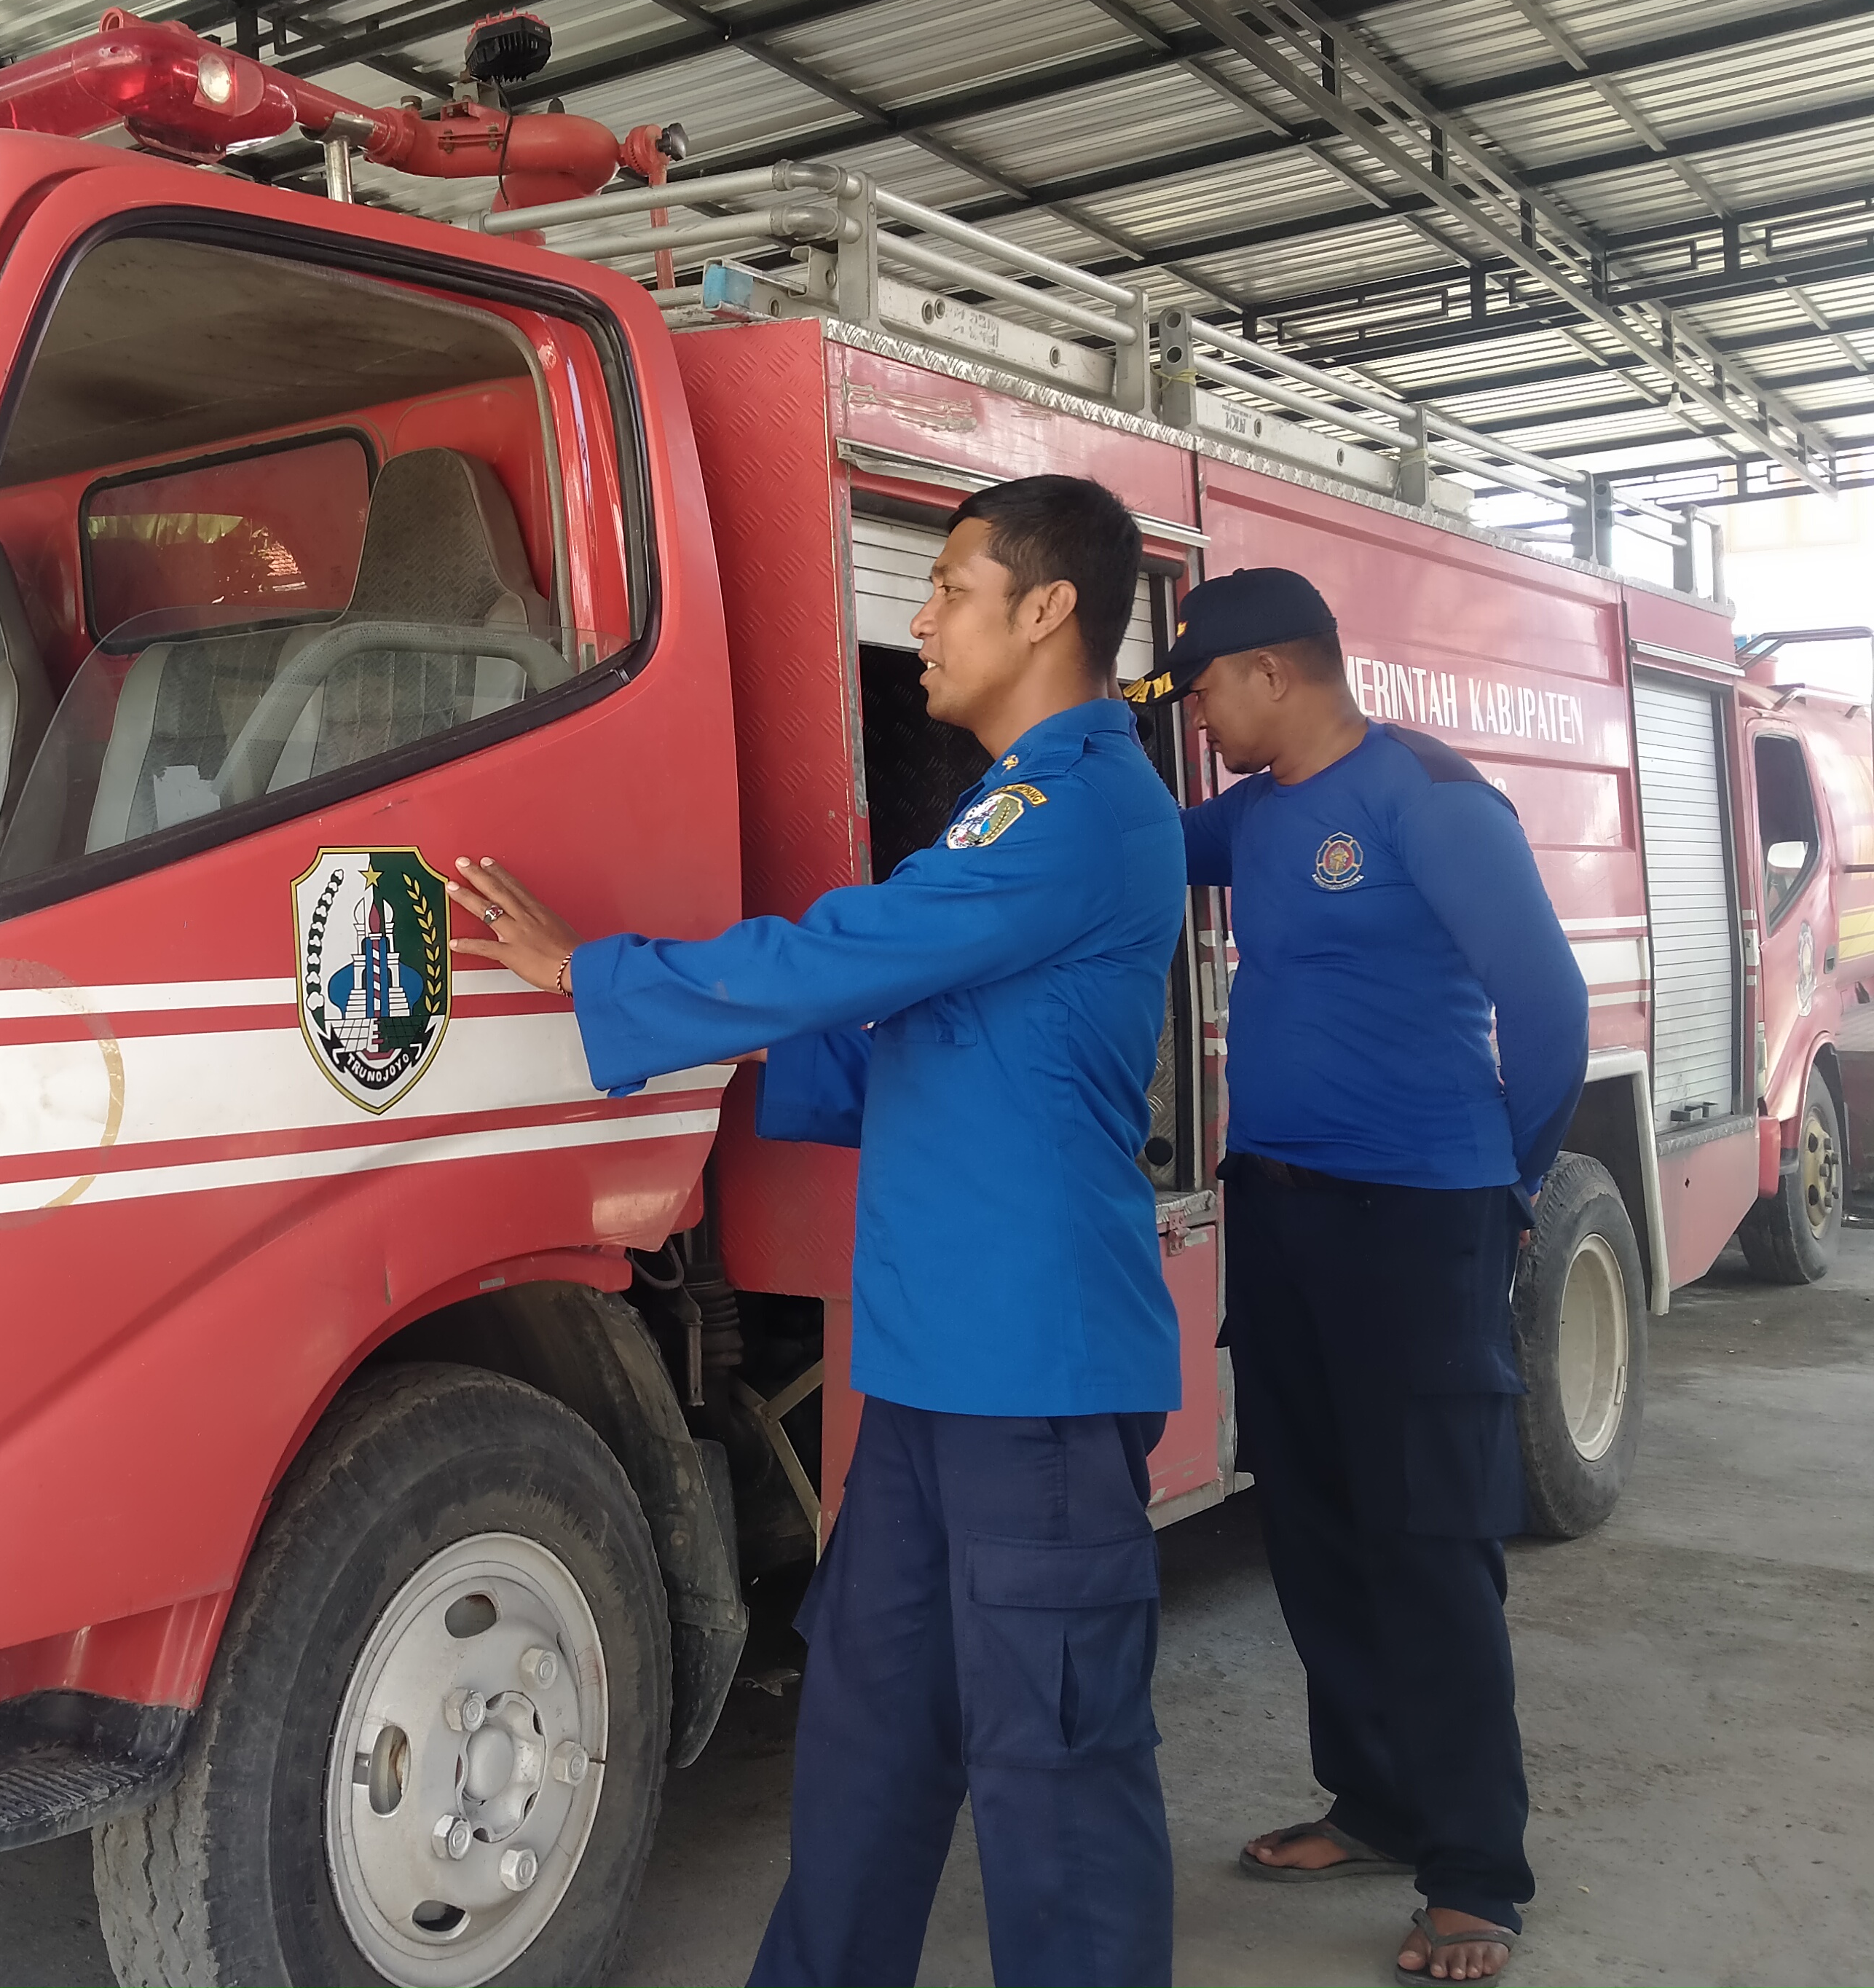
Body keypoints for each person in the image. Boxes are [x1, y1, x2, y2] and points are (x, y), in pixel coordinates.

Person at [456, 474, 1185, 1988]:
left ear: (1044, 610)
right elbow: (900, 1014)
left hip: (1033, 1374)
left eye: (948, 588)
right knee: (866, 1736)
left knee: (1051, 1764)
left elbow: (868, 952)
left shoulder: (1078, 805)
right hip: (932, 1365)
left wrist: (604, 975)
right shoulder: (1006, 805)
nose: (915, 618)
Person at [1125, 567, 1588, 1984]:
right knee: (1315, 1525)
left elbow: (1545, 1005)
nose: (1193, 720)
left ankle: (1473, 1872)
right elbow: (1128, 840)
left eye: (1198, 692)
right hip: (1277, 1216)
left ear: (1270, 673)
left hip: (1415, 1223)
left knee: (1426, 1541)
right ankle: (1375, 1802)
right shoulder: (1252, 818)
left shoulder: (1424, 800)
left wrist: (1497, 1183)